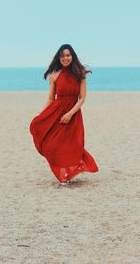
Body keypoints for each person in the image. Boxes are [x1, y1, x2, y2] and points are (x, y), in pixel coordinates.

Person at [29, 44, 99, 185]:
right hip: (56, 113)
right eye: (62, 56)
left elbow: (82, 98)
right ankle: (63, 175)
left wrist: (70, 113)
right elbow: (50, 99)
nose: (65, 58)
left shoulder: (81, 74)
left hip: (73, 113)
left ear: (72, 56)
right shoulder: (54, 76)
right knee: (53, 144)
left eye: (68, 55)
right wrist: (41, 113)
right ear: (59, 58)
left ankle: (67, 174)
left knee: (73, 144)